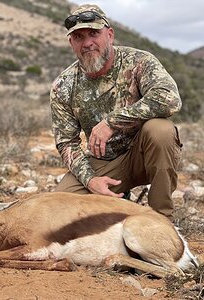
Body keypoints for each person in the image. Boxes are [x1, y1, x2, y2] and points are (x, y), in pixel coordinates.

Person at [49, 4, 182, 220]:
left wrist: (112, 122)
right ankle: (113, 207)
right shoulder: (63, 85)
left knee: (161, 130)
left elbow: (169, 99)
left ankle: (161, 221)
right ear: (71, 42)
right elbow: (66, 142)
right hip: (104, 162)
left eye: (94, 33)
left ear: (110, 35)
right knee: (59, 208)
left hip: (144, 155)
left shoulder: (139, 61)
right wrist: (91, 180)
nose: (88, 43)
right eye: (79, 37)